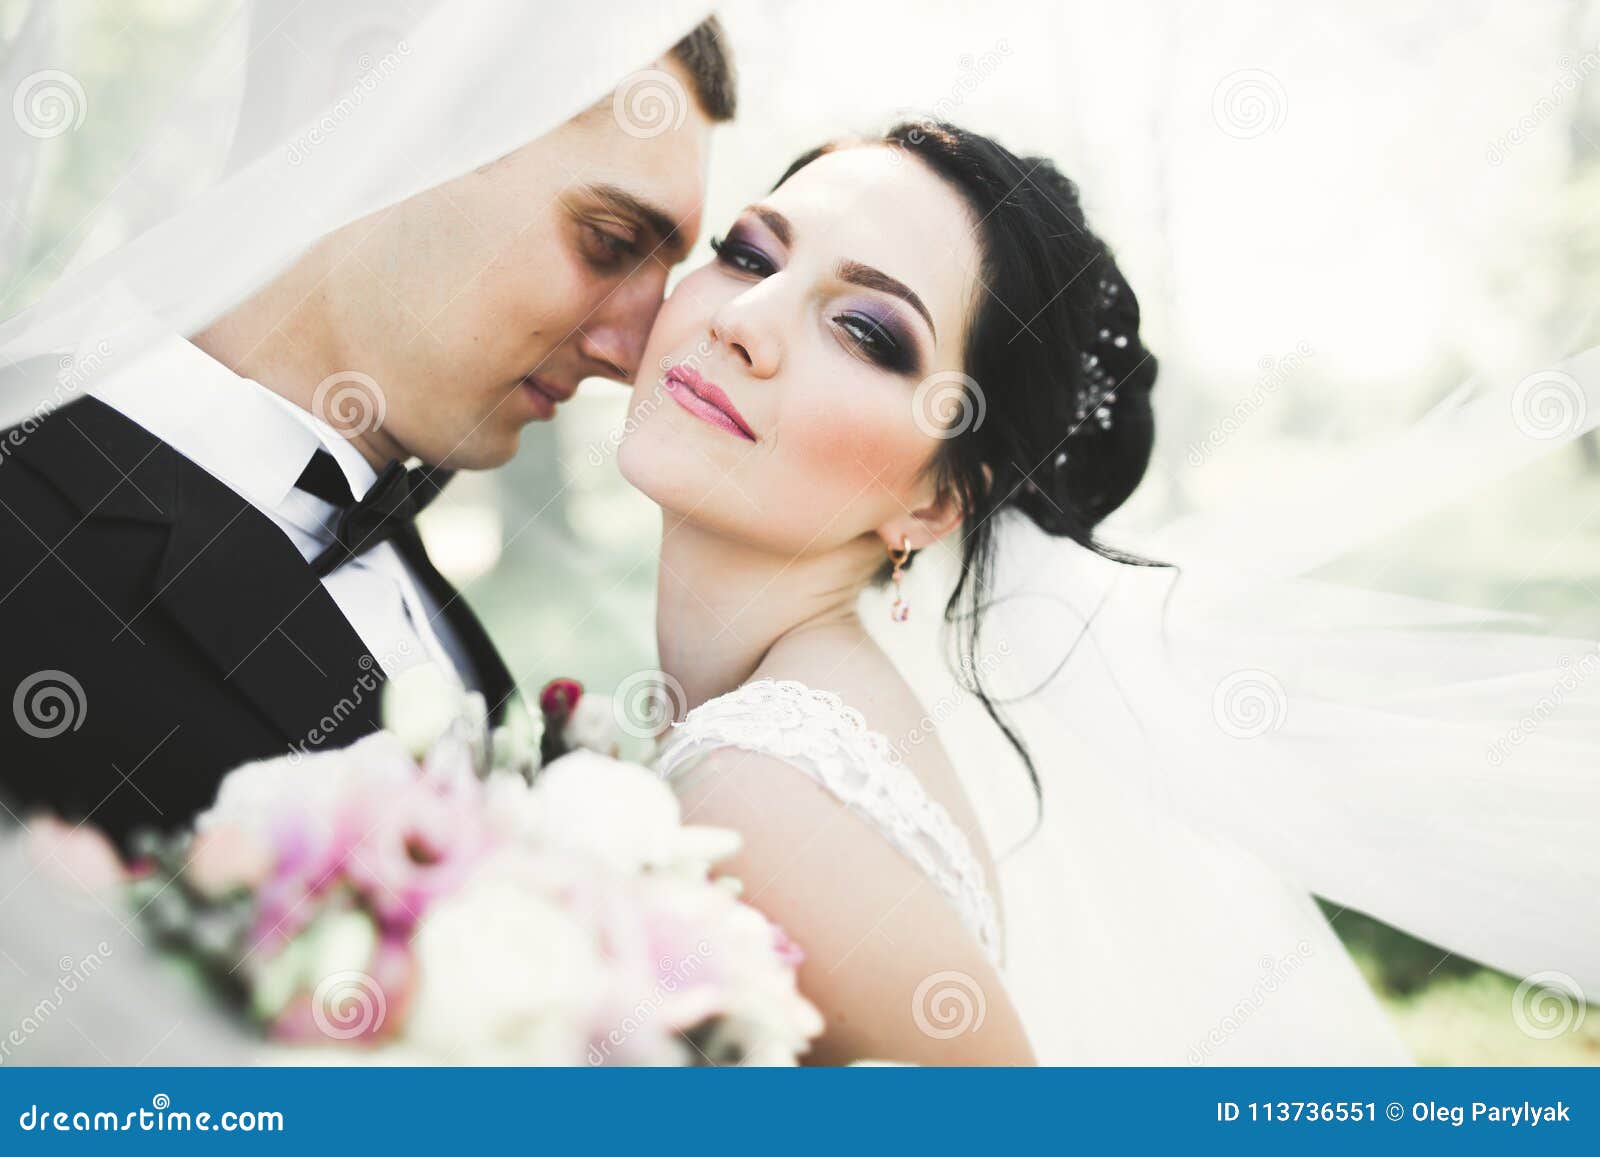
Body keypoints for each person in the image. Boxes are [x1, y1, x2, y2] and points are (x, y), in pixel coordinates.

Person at [618, 121, 1600, 1064]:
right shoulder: (781, 742)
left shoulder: (761, 790)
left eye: (868, 330)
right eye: (748, 253)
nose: (741, 320)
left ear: (937, 498)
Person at [0, 18, 736, 848]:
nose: (634, 353)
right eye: (609, 244)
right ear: (386, 120)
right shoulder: (25, 504)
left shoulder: (461, 648)